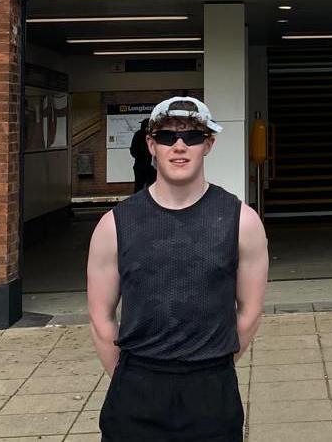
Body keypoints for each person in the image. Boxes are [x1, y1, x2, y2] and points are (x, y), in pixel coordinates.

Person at [87, 96, 269, 441]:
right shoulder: (114, 225)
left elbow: (250, 311)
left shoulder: (241, 221)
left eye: (193, 136)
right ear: (151, 145)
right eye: (168, 137)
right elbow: (100, 317)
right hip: (136, 390)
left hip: (211, 392)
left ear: (209, 144)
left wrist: (214, 368)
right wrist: (130, 378)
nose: (180, 146)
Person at [128, 117, 155, 191]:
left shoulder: (138, 134)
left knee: (138, 186)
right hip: (147, 166)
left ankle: (138, 200)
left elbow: (133, 150)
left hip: (140, 166)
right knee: (151, 186)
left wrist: (138, 156)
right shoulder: (151, 135)